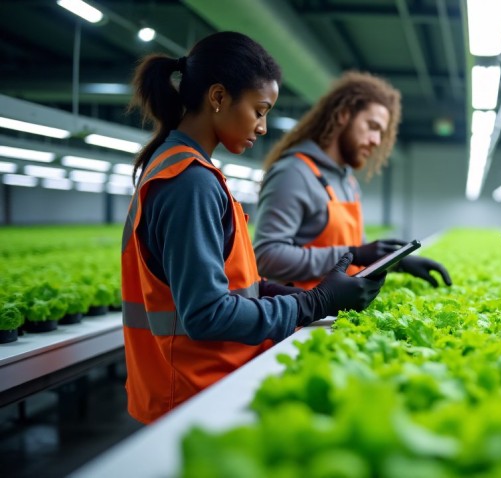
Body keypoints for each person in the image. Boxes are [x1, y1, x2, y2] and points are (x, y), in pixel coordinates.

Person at [122, 32, 385, 424]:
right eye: (259, 110)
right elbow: (206, 315)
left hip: (197, 384)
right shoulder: (189, 182)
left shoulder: (190, 171)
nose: (262, 127)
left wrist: (278, 291)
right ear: (217, 98)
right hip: (193, 395)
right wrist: (311, 303)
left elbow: (223, 283)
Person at [253, 71, 452, 289]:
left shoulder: (348, 182)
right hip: (305, 319)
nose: (376, 140)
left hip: (340, 314)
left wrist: (396, 262)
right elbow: (266, 257)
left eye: (381, 134)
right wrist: (352, 254)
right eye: (372, 126)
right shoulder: (294, 173)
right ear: (343, 115)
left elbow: (358, 251)